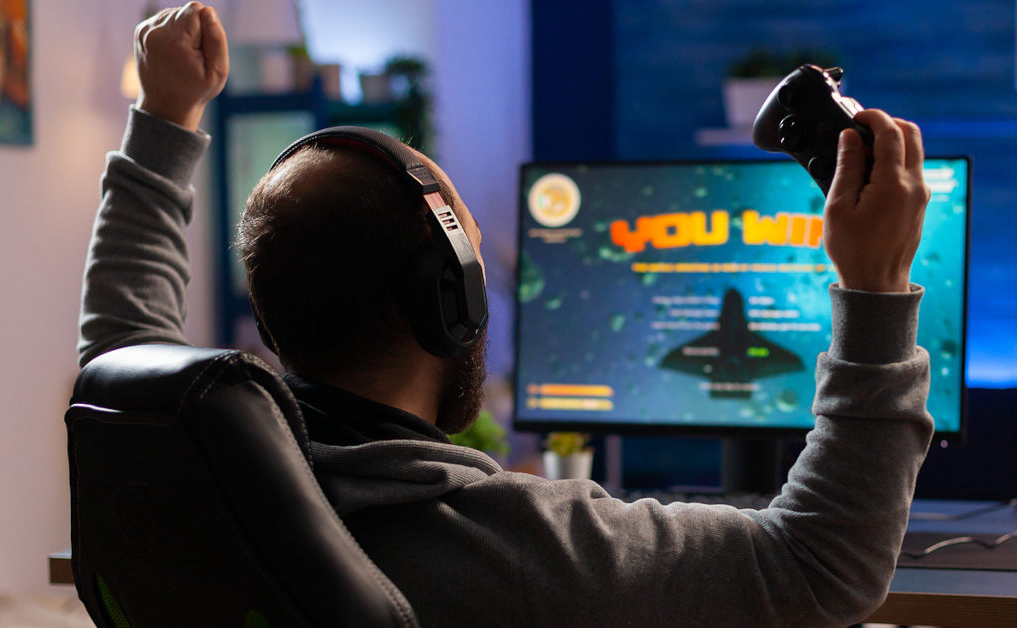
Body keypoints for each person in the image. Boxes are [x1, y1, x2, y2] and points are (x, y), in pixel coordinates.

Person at [79, 3, 935, 626]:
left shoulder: (188, 466)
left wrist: (163, 120)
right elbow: (822, 566)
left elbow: (123, 348)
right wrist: (879, 291)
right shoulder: (516, 546)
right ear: (448, 302)